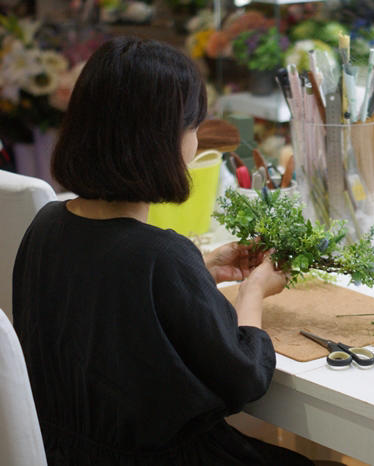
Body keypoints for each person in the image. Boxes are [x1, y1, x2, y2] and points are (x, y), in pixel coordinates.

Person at [12, 36, 313, 465]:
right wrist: (253, 293)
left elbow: (107, 307)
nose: (195, 141)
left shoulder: (45, 226)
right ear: (161, 141)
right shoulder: (160, 255)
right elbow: (246, 379)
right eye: (193, 127)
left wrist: (198, 273)